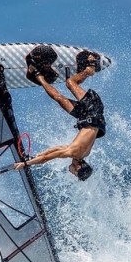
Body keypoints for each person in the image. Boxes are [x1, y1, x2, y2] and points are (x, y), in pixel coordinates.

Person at [14, 50, 105, 181]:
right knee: (70, 83)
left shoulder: (78, 153)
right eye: (76, 174)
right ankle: (90, 68)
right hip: (93, 110)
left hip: (86, 116)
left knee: (59, 98)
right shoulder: (75, 152)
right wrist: (25, 164)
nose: (72, 173)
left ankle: (37, 74)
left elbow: (56, 149)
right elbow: (47, 159)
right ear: (78, 168)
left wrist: (35, 156)